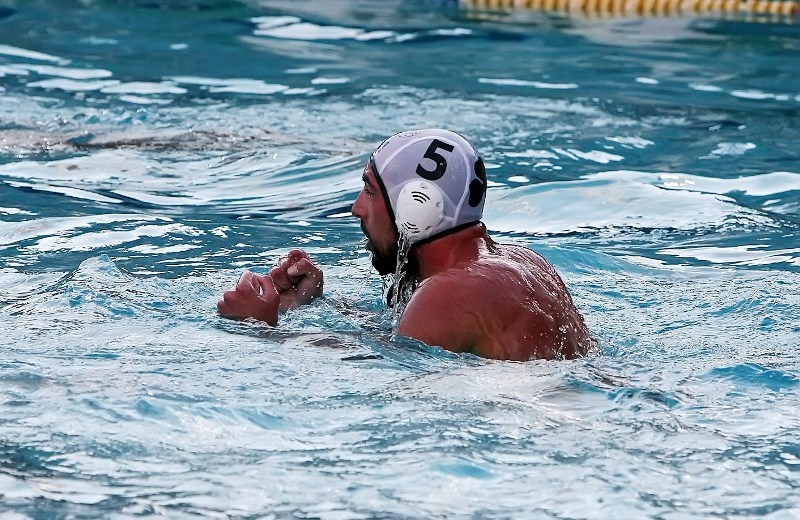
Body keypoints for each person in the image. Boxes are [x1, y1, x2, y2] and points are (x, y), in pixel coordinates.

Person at [217, 129, 595, 360]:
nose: (356, 208)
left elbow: (381, 373)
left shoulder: (450, 292)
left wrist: (259, 328)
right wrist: (310, 304)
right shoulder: (522, 261)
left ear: (417, 206)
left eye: (369, 190)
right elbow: (402, 336)